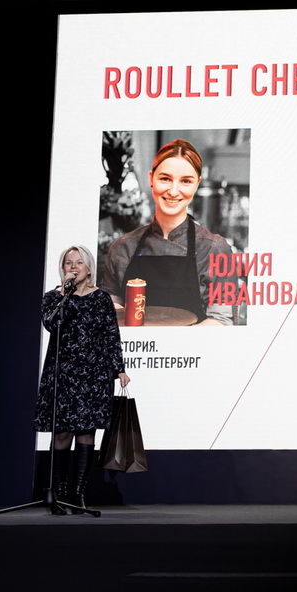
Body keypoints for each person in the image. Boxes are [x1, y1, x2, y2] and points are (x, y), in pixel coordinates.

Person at [105, 137, 243, 326]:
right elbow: (109, 310)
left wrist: (171, 342)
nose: (173, 190)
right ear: (151, 178)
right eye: (165, 179)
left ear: (197, 184)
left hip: (192, 346)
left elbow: (221, 320)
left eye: (186, 181)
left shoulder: (214, 249)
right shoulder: (122, 248)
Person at [36, 245, 130, 514]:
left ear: (89, 268)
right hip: (63, 373)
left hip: (94, 374)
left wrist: (118, 369)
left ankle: (77, 495)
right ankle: (58, 494)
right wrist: (66, 295)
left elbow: (111, 335)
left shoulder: (101, 298)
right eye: (69, 263)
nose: (74, 267)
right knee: (62, 432)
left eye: (79, 263)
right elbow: (52, 324)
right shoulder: (53, 298)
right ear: (62, 268)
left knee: (87, 433)